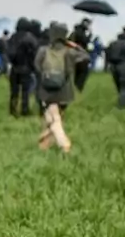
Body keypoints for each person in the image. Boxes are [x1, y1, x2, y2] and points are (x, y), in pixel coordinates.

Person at [34, 23, 91, 153]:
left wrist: (46, 76)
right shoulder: (70, 52)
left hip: (47, 89)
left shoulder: (43, 50)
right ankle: (53, 144)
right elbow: (86, 57)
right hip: (64, 89)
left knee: (52, 118)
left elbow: (37, 66)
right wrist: (74, 45)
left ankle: (58, 144)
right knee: (58, 116)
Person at [5, 19, 38, 117]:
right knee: (25, 92)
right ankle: (24, 110)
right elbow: (34, 53)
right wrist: (34, 67)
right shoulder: (29, 37)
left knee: (14, 91)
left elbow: (7, 52)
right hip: (26, 68)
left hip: (14, 68)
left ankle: (13, 110)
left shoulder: (12, 37)